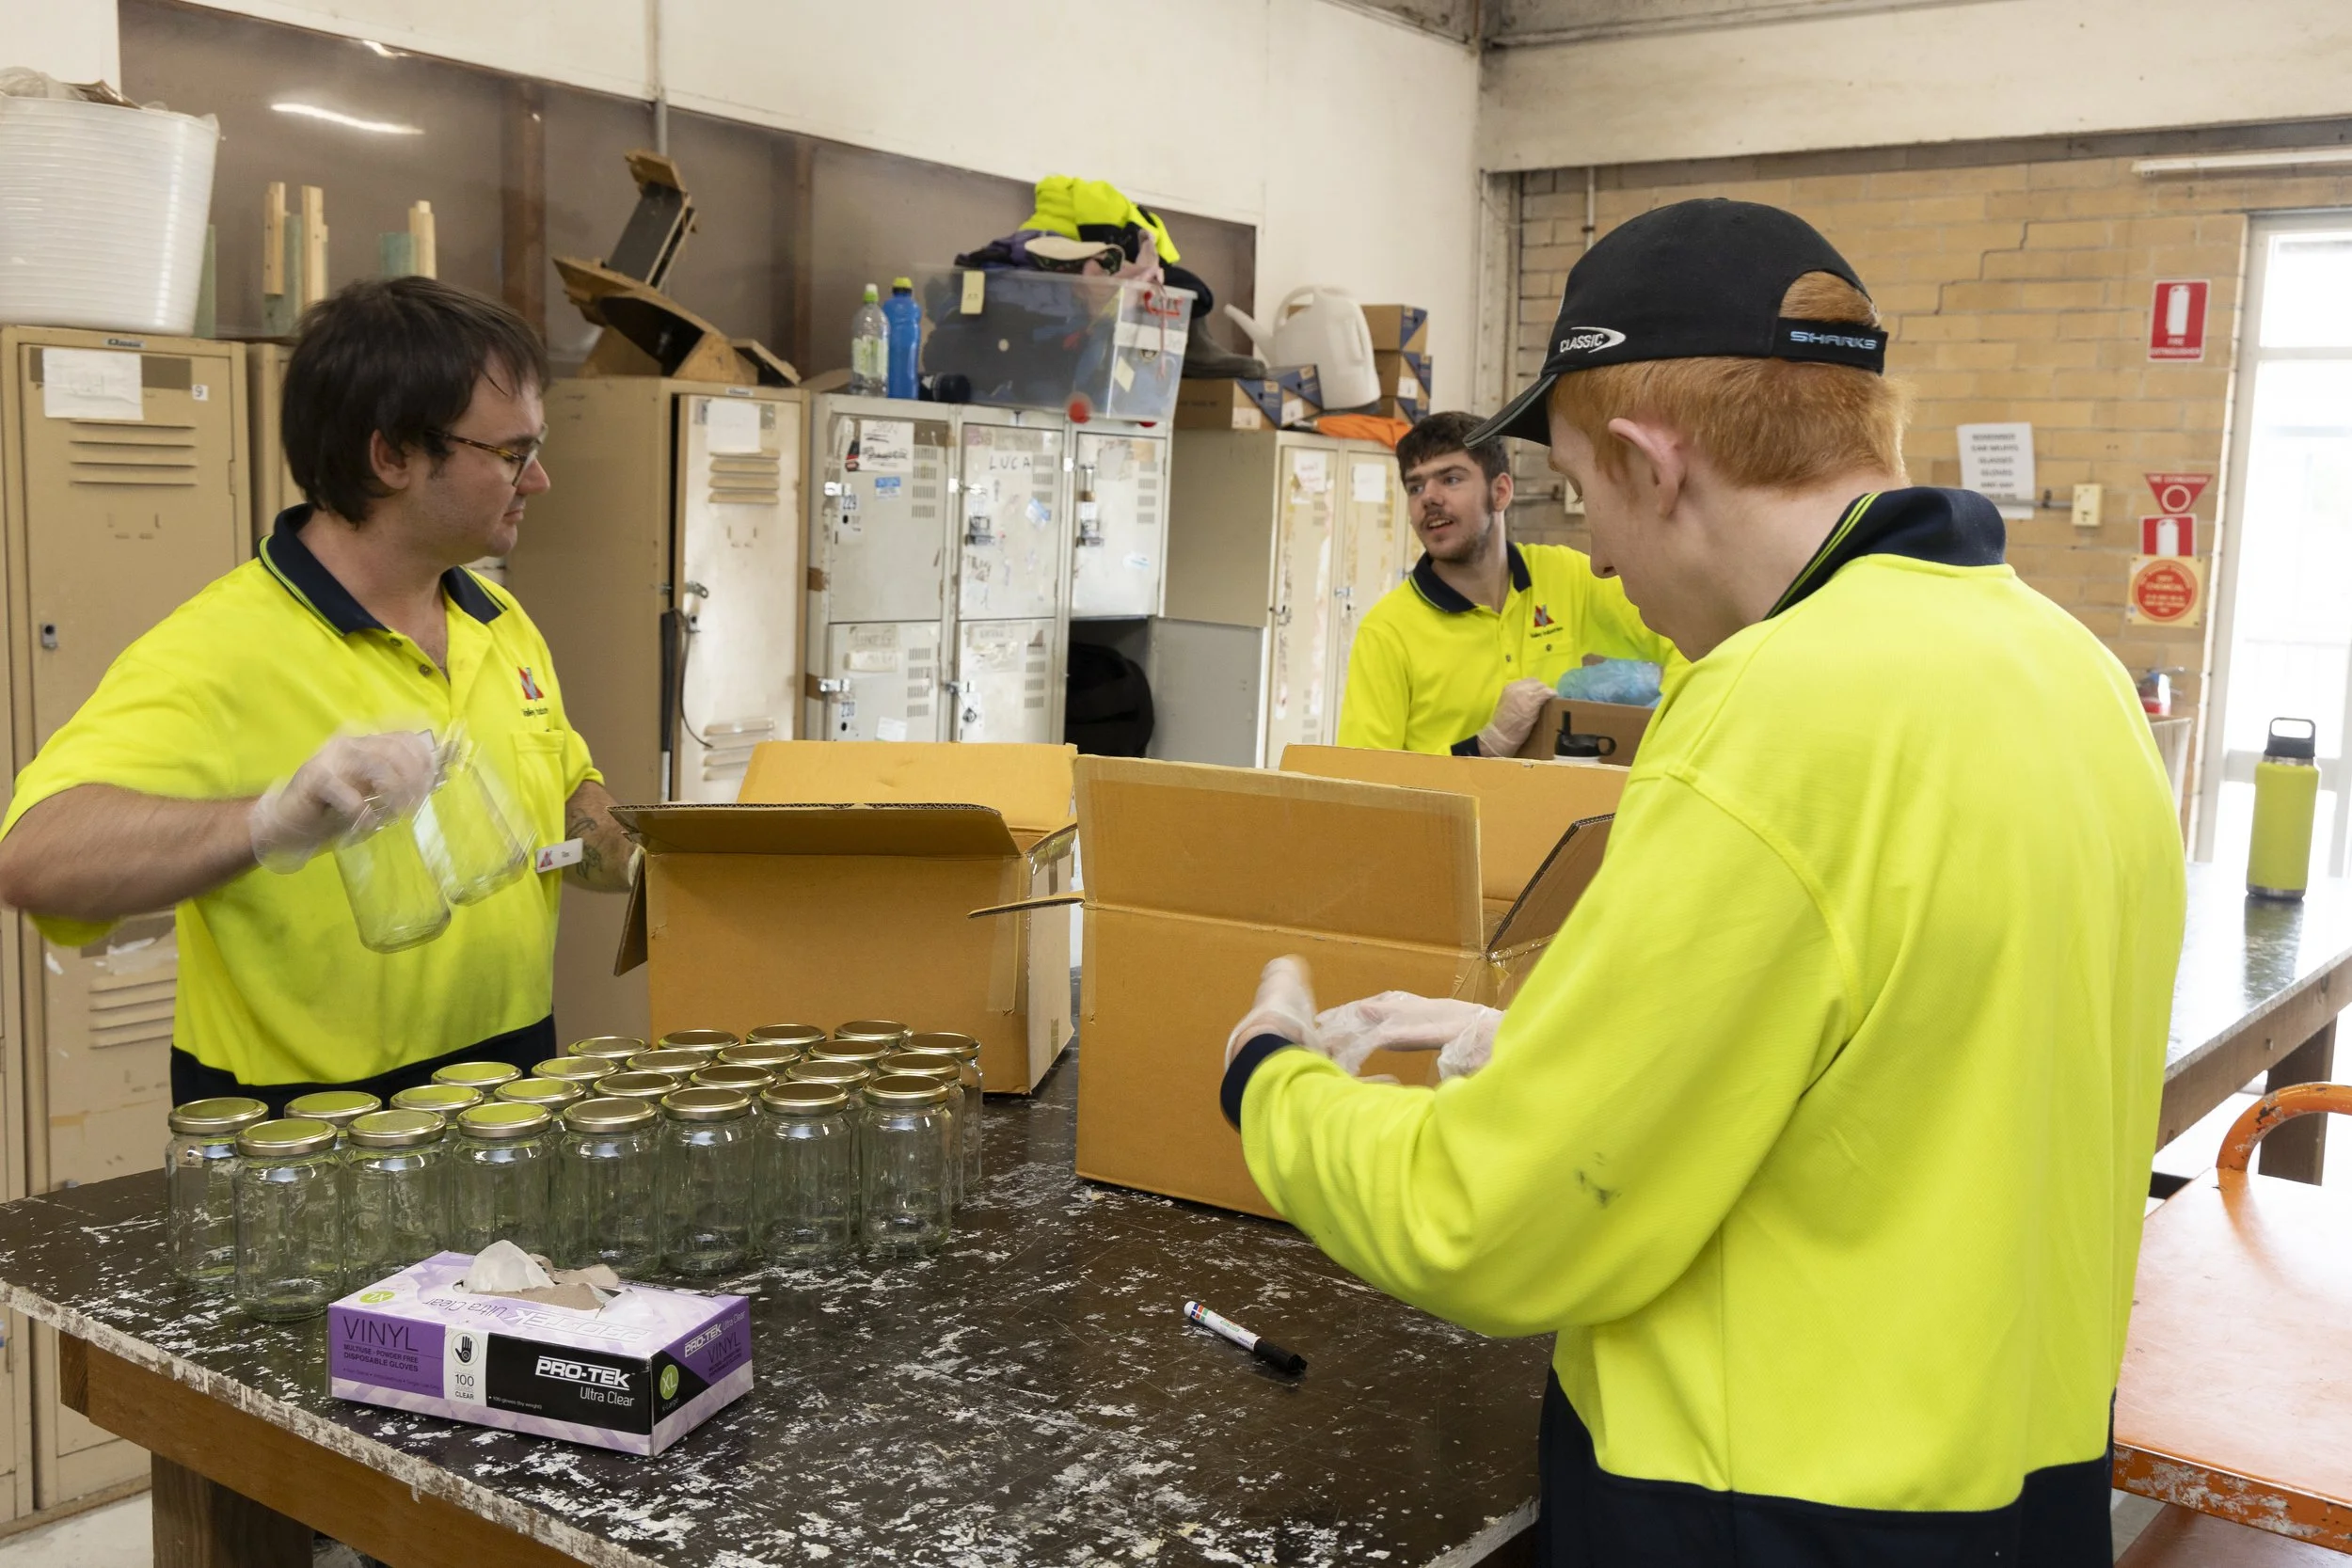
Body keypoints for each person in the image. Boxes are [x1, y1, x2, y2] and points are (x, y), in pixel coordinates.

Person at [1219, 199, 2184, 1565]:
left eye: (1577, 495)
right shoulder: (2065, 667)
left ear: (1648, 459)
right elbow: (1908, 1044)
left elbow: (1487, 1222)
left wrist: (1271, 1083)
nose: (1597, 557)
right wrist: (1534, 1039)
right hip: (2019, 1488)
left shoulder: (1771, 713)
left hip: (1770, 1507)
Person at [0, 277, 634, 1112]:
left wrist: (665, 864)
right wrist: (266, 823)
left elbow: (563, 800)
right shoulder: (221, 648)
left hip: (505, 1088)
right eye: (512, 453)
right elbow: (37, 856)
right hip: (307, 1125)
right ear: (393, 455)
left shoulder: (496, 619)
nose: (539, 479)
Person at [1334, 409, 1676, 757]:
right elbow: (1363, 778)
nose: (1429, 498)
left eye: (1450, 479)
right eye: (1415, 486)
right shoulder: (1388, 632)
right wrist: (1483, 746)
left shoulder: (1564, 576)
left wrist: (1677, 727)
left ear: (1500, 492)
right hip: (1458, 813)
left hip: (1554, 807)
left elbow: (1685, 637)